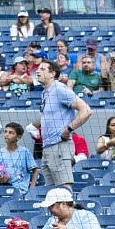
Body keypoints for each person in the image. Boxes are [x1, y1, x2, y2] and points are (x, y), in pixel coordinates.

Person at [35, 59, 89, 189]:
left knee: (64, 189)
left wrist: (69, 129)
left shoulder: (60, 89)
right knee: (51, 192)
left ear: (53, 73)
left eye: (42, 69)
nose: (37, 71)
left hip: (59, 146)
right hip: (48, 147)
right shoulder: (45, 93)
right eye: (38, 69)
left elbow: (86, 110)